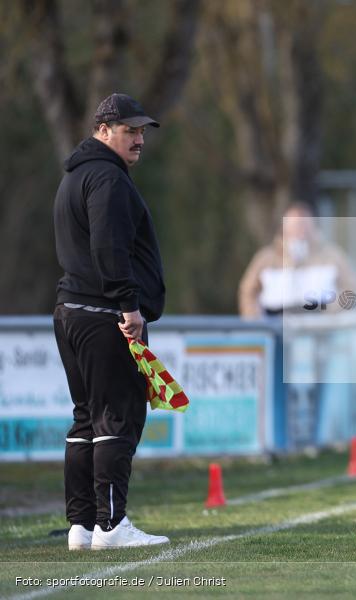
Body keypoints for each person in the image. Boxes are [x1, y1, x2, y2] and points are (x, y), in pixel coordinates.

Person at [53, 93, 169, 549]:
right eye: (129, 130)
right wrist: (129, 307)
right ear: (103, 130)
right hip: (105, 314)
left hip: (71, 311)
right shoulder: (108, 179)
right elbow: (108, 248)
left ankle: (81, 526)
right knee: (115, 418)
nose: (139, 139)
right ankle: (111, 524)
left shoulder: (77, 176)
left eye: (141, 131)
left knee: (86, 419)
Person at [238, 203, 356, 318]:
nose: (300, 230)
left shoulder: (332, 256)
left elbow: (349, 288)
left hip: (322, 330)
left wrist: (329, 314)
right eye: (295, 225)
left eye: (304, 225)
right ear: (284, 227)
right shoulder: (266, 258)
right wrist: (256, 319)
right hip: (276, 326)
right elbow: (248, 292)